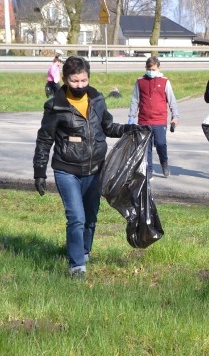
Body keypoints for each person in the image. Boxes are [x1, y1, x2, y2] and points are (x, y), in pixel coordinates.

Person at [33, 56, 144, 278]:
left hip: (95, 170)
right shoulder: (55, 106)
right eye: (75, 81)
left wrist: (130, 129)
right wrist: (39, 171)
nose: (80, 86)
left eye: (84, 80)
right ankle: (76, 266)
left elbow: (108, 126)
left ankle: (84, 252)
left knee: (91, 216)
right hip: (67, 170)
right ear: (65, 79)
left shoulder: (97, 99)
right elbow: (45, 139)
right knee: (76, 217)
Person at [127, 56, 180, 178]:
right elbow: (135, 100)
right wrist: (131, 116)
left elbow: (172, 100)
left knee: (161, 144)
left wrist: (175, 116)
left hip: (159, 120)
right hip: (144, 120)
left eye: (153, 69)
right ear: (146, 68)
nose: (151, 71)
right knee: (147, 147)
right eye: (149, 69)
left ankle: (164, 163)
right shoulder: (140, 81)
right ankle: (148, 169)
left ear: (158, 68)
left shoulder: (164, 81)